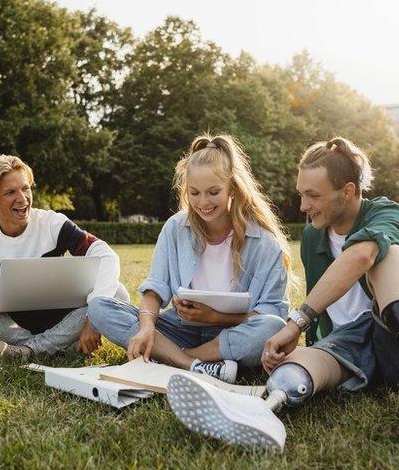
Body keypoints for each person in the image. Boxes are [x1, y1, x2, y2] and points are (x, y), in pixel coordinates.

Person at [166, 137, 399, 450]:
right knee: (294, 365)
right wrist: (296, 347)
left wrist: (296, 323)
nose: (303, 206)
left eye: (313, 196)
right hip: (351, 346)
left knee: (386, 255)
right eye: (301, 194)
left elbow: (361, 257)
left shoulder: (386, 213)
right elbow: (326, 315)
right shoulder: (312, 235)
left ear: (347, 191)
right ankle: (261, 411)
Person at [87, 134, 294, 383]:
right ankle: (194, 365)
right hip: (180, 329)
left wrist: (216, 318)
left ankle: (175, 359)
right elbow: (154, 290)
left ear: (233, 188)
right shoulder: (176, 228)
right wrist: (147, 327)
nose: (203, 202)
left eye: (213, 192)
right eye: (194, 193)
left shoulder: (264, 243)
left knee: (274, 327)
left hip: (233, 333)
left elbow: (273, 315)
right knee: (99, 307)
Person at [0, 154, 129, 361]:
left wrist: (93, 317)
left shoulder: (52, 224)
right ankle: (57, 345)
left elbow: (105, 254)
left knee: (118, 293)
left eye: (26, 188)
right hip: (8, 327)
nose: (22, 198)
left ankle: (29, 351)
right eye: (11, 192)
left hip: (60, 320)